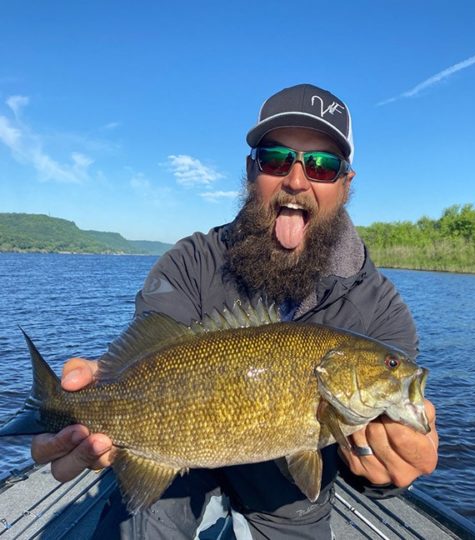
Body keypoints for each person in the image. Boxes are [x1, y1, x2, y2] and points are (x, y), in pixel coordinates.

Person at [31, 84, 438, 539]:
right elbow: (148, 353)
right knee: (140, 523)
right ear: (251, 171)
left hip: (286, 494)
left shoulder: (380, 310)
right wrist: (91, 391)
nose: (297, 180)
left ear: (346, 184)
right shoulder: (191, 262)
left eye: (323, 165)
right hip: (176, 449)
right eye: (275, 159)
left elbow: (381, 457)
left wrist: (388, 471)